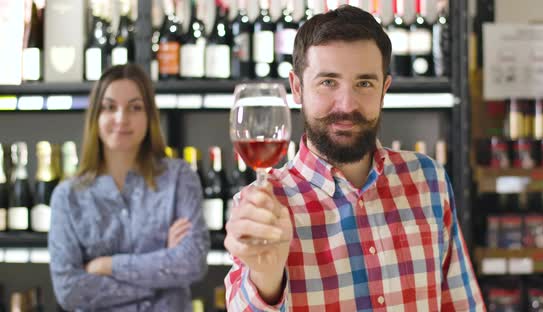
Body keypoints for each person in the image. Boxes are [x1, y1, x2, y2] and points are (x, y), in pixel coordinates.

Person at [224, 5, 484, 311]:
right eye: (328, 82)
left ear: (384, 89)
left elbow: (462, 304)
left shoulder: (428, 180)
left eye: (364, 83)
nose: (346, 105)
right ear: (297, 88)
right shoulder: (262, 203)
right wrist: (266, 278)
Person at [48, 64, 210, 311]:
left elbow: (192, 262)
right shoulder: (67, 197)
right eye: (110, 107)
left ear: (149, 116)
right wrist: (164, 272)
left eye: (135, 107)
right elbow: (69, 291)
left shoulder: (179, 177)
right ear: (95, 116)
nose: (121, 118)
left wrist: (107, 266)